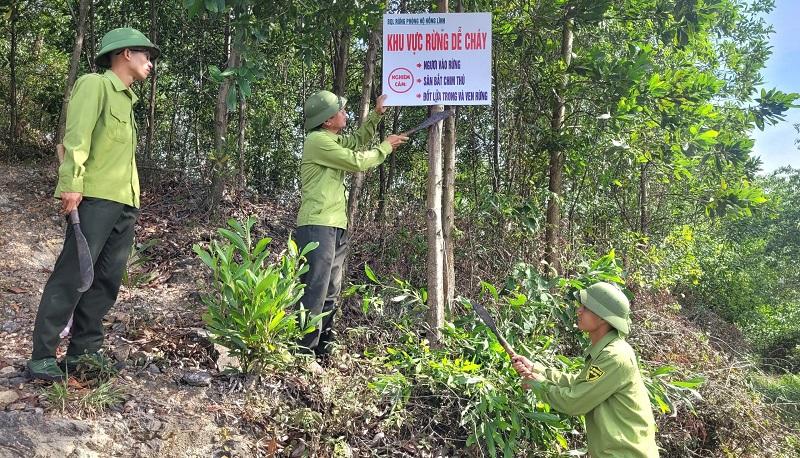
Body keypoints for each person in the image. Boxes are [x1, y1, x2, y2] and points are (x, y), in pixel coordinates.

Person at [27, 28, 160, 381]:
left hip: (124, 201)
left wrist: (133, 199)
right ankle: (42, 355)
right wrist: (70, 185)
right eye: (146, 55)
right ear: (126, 54)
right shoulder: (95, 85)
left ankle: (83, 352)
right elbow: (77, 137)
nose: (150, 63)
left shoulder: (128, 101)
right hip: (95, 199)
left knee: (106, 280)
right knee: (72, 274)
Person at [295, 91, 407, 356]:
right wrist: (385, 147)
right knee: (315, 291)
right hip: (316, 225)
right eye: (341, 111)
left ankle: (322, 352)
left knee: (331, 292)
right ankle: (302, 353)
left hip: (335, 225)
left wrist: (377, 116)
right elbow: (357, 161)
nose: (346, 114)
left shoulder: (331, 139)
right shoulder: (317, 141)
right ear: (326, 121)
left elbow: (356, 141)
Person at [512, 282, 659, 457]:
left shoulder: (614, 357)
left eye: (586, 308)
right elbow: (580, 383)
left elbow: (573, 401)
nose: (579, 311)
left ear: (603, 317)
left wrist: (539, 384)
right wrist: (537, 369)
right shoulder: (608, 351)